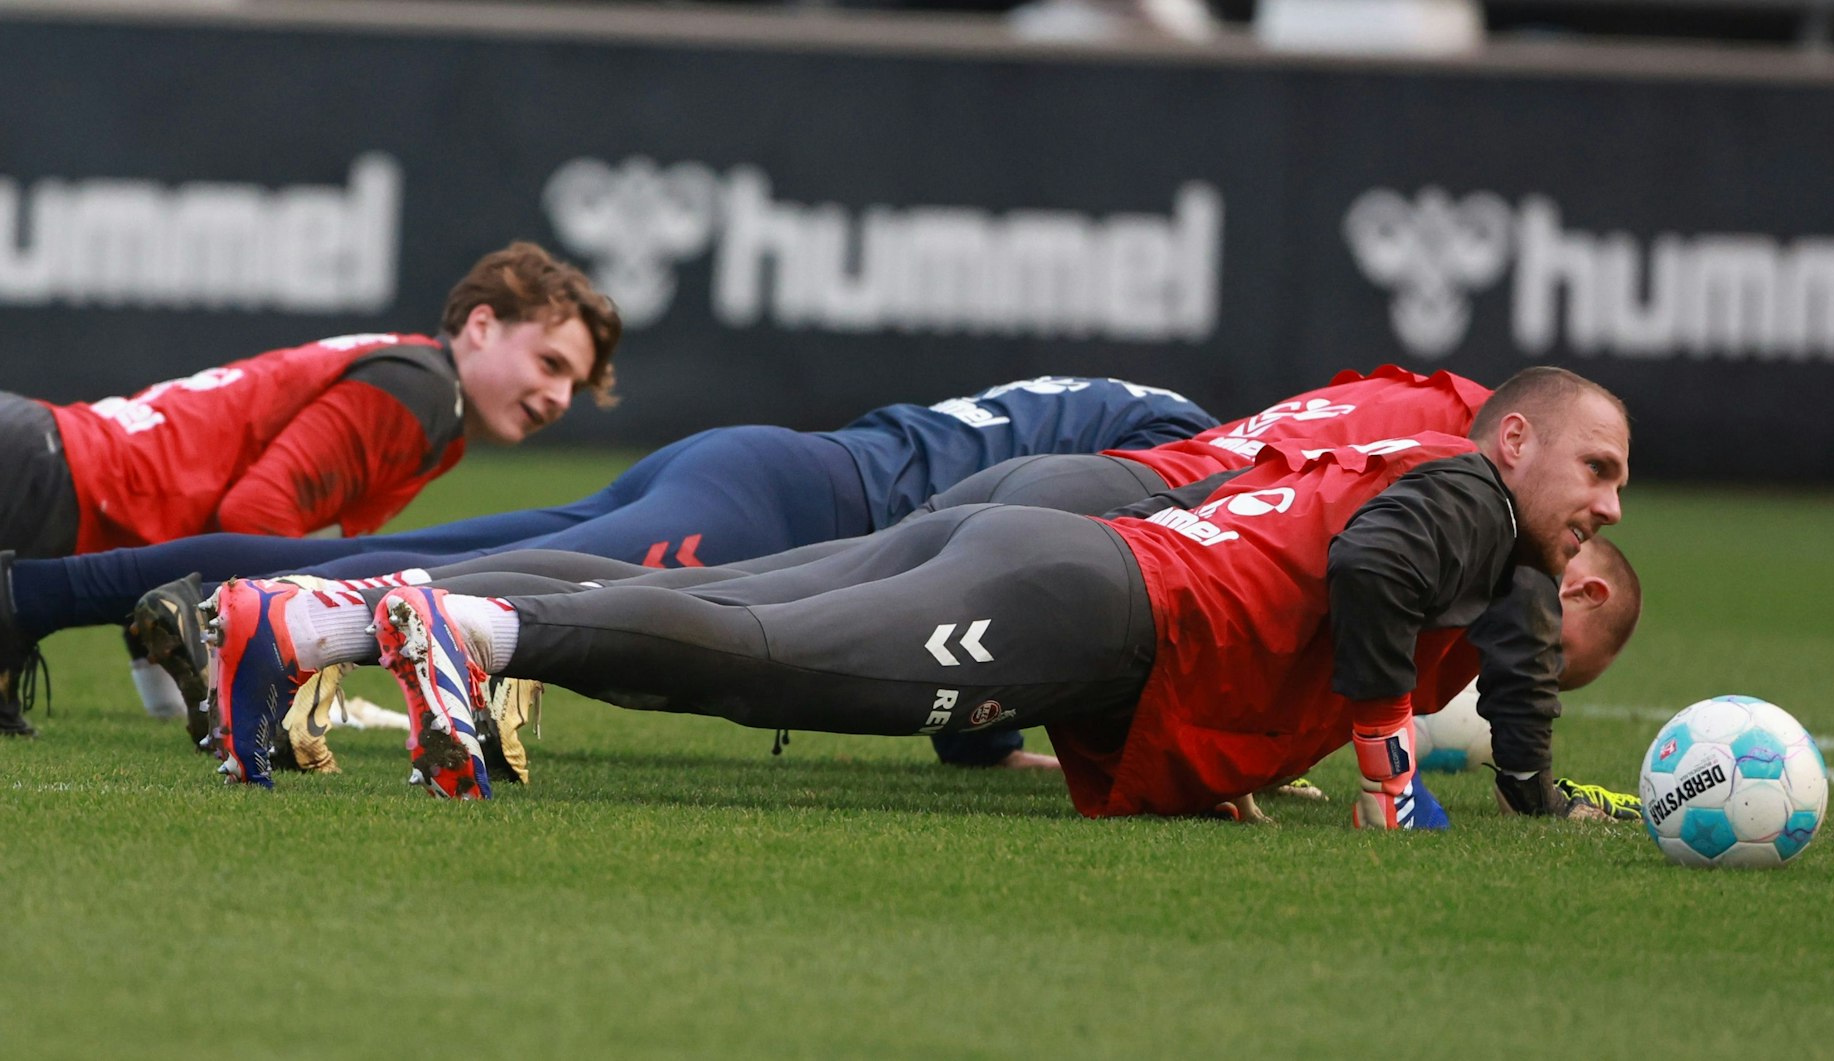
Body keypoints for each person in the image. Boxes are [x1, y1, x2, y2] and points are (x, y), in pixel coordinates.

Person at [208, 366, 1631, 823]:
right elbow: (1373, 572)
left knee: (741, 612)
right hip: (1095, 587)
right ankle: (467, 629)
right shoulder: (1468, 493)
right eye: (1599, 473)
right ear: (1515, 436)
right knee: (760, 650)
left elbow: (1302, 574)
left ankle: (319, 616)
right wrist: (1391, 773)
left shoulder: (1408, 441)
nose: (1606, 510)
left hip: (1078, 546)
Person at [0, 376, 1215, 742]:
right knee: (436, 583)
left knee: (400, 553)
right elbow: (997, 572)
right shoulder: (1180, 447)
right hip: (784, 505)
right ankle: (258, 628)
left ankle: (34, 595)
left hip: (768, 464)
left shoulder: (1138, 405)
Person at [0, 241, 621, 734]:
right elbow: (254, 517)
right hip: (44, 480)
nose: (559, 398)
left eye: (575, 386)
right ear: (482, 325)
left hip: (49, 472)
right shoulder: (423, 393)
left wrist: (179, 684)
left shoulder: (422, 386)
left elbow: (197, 547)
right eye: (551, 364)